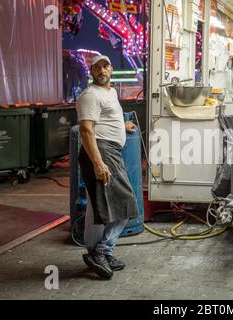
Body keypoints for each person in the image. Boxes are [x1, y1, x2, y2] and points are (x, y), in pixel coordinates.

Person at [76, 55, 138, 280]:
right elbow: (86, 131)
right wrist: (98, 162)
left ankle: (101, 251)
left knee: (103, 207)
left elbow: (104, 119)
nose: (102, 70)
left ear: (111, 69)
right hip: (102, 153)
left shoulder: (109, 92)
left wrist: (123, 125)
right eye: (97, 67)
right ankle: (101, 251)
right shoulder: (90, 95)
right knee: (125, 202)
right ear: (91, 72)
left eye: (105, 66)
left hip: (111, 151)